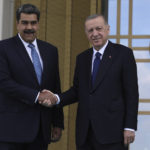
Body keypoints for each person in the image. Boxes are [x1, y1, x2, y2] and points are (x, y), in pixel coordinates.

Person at [41, 14, 139, 150]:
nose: (95, 34)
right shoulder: (82, 58)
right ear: (86, 33)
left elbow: (131, 94)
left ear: (108, 29)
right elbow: (77, 90)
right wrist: (56, 98)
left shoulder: (123, 54)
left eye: (98, 29)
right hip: (85, 134)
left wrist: (130, 126)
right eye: (90, 30)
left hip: (112, 133)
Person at [0, 3, 64, 150]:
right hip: (11, 132)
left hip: (41, 131)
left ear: (38, 24)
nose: (29, 27)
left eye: (33, 23)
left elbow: (55, 86)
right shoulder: (3, 48)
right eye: (24, 23)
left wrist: (58, 122)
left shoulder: (51, 51)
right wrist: (37, 96)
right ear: (17, 24)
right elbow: (4, 82)